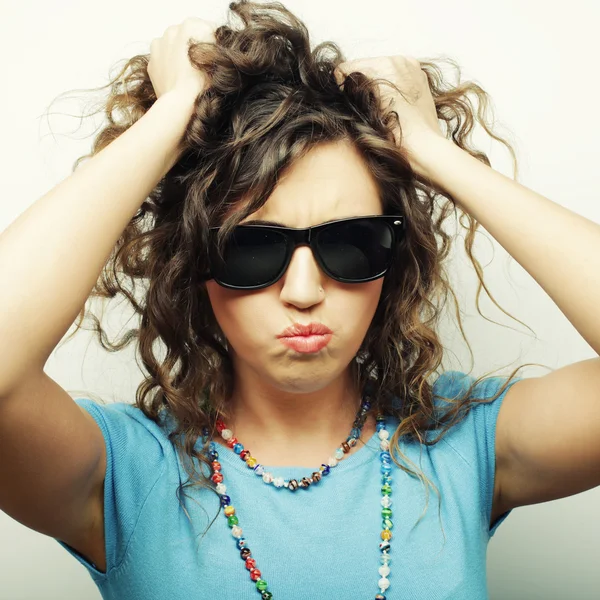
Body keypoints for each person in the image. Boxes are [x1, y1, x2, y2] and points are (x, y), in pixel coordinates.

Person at [1, 1, 599, 599]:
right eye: (249, 250)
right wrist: (171, 119)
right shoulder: (126, 475)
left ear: (396, 258)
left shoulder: (461, 446)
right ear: (192, 263)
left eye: (353, 243)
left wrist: (431, 153)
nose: (305, 291)